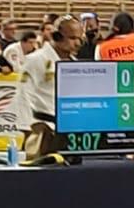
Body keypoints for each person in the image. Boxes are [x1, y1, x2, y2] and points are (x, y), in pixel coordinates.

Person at [16, 15, 85, 143]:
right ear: (57, 37)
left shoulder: (74, 63)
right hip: (44, 127)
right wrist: (26, 129)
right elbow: (22, 94)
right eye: (72, 38)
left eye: (80, 39)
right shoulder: (36, 59)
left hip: (70, 128)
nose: (77, 43)